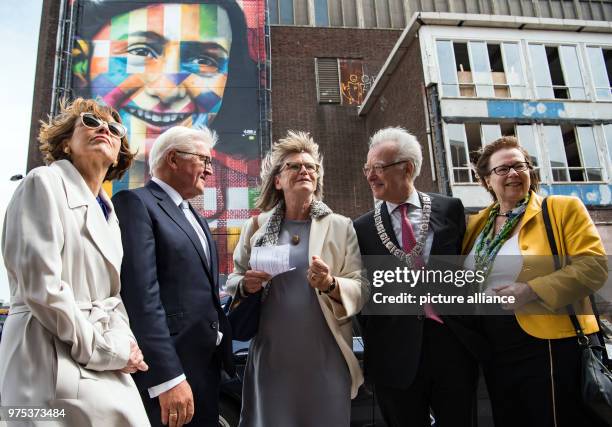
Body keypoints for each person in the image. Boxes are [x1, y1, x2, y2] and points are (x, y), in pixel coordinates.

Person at [72, 0, 262, 274]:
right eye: (140, 51)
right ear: (82, 63)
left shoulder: (242, 197)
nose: (167, 90)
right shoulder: (63, 190)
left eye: (204, 60)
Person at [0, 98, 149, 426]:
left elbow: (113, 298)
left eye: (114, 128)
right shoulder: (43, 183)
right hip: (45, 354)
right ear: (66, 141)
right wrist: (109, 351)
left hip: (96, 354)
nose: (104, 130)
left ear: (118, 155)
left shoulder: (108, 213)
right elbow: (43, 289)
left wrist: (125, 343)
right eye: (91, 122)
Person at [463, 136, 608, 427]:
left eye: (520, 166)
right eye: (502, 169)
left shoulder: (560, 209)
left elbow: (594, 267)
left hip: (550, 346)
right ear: (487, 180)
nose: (513, 173)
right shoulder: (478, 223)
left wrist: (530, 290)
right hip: (494, 350)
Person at [226, 131, 368, 426]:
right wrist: (245, 285)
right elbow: (234, 279)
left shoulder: (341, 226)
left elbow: (360, 285)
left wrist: (331, 284)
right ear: (277, 180)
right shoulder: (256, 226)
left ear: (317, 178)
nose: (305, 170)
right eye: (294, 166)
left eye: (311, 166)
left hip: (326, 358)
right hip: (272, 360)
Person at [354, 127, 484, 427]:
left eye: (378, 168)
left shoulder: (450, 210)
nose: (370, 175)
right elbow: (364, 293)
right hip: (393, 355)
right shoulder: (360, 228)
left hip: (453, 348)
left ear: (407, 168)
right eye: (367, 168)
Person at [112, 126, 233, 427]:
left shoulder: (197, 219)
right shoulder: (136, 203)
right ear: (173, 159)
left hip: (205, 370)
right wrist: (167, 377)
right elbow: (141, 296)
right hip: (170, 375)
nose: (209, 170)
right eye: (204, 161)